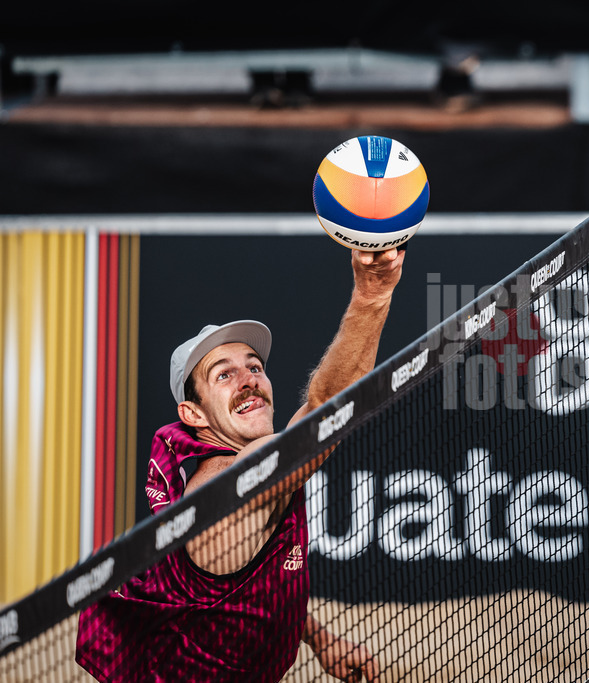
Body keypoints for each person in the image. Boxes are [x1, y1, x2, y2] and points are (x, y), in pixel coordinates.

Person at [76, 247, 406, 682]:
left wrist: (320, 638)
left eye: (254, 366)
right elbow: (326, 408)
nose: (249, 378)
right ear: (193, 415)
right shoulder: (232, 485)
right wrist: (372, 294)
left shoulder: (243, 480)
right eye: (223, 374)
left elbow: (249, 582)